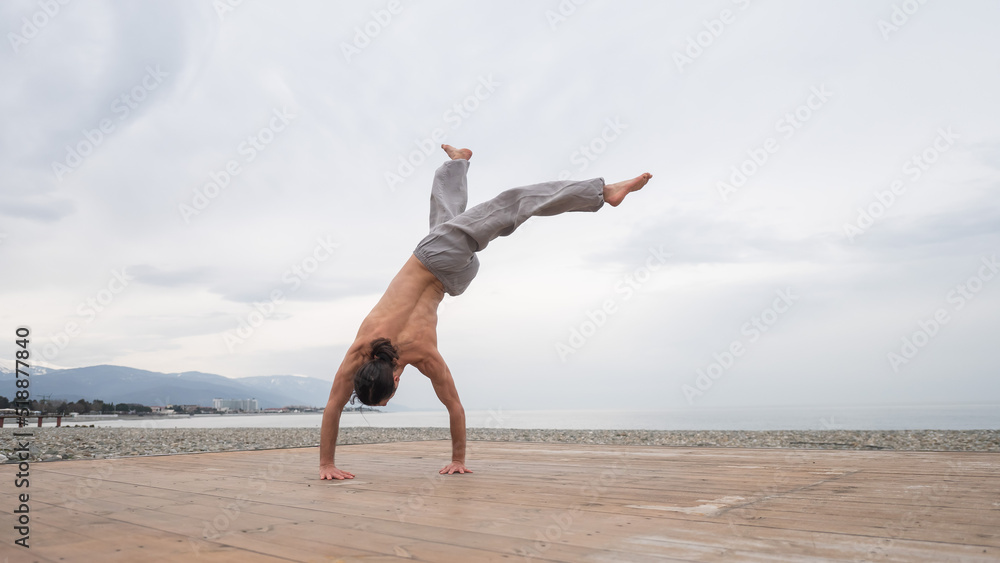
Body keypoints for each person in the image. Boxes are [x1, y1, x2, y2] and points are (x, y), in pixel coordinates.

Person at [319, 144, 652, 480]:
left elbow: (453, 407)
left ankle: (461, 164)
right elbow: (334, 407)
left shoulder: (424, 355)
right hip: (437, 258)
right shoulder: (361, 350)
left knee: (477, 212)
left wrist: (327, 465)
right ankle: (599, 192)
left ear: (394, 379)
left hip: (457, 278)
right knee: (504, 207)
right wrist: (326, 464)